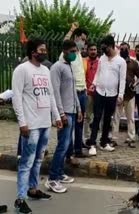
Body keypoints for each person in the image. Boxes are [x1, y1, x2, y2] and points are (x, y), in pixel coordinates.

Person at [12, 38, 62, 214]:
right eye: (41, 50)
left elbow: (51, 95)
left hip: (44, 123)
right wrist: (22, 122)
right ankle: (20, 199)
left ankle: (32, 189)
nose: (45, 52)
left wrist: (56, 116)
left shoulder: (46, 71)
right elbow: (17, 97)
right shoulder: (22, 70)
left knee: (39, 159)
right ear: (33, 51)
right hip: (31, 125)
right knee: (26, 162)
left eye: (45, 50)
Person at [46, 40, 83, 193]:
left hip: (72, 110)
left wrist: (79, 109)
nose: (75, 54)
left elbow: (72, 90)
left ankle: (60, 173)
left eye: (76, 51)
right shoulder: (56, 67)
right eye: (72, 51)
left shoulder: (69, 66)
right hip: (64, 112)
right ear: (65, 51)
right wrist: (60, 114)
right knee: (62, 146)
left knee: (67, 144)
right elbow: (55, 92)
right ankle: (52, 179)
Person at [86, 35, 126, 155]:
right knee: (96, 117)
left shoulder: (121, 61)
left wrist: (121, 95)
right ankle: (92, 143)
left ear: (112, 46)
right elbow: (98, 73)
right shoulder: (102, 59)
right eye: (102, 49)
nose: (104, 52)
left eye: (106, 49)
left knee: (108, 119)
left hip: (112, 94)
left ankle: (104, 143)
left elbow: (122, 79)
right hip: (99, 91)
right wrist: (94, 83)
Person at [63, 23, 88, 164]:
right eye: (82, 39)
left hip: (82, 92)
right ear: (76, 37)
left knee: (80, 123)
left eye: (84, 40)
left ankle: (78, 150)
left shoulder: (79, 55)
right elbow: (65, 42)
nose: (83, 42)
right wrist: (71, 29)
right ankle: (69, 153)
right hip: (72, 94)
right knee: (70, 126)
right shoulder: (69, 54)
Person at [111, 42, 139, 148]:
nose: (124, 50)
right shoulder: (116, 62)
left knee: (130, 118)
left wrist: (135, 84)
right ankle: (114, 139)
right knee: (116, 117)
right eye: (122, 49)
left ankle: (131, 138)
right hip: (118, 95)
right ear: (119, 49)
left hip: (130, 95)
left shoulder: (133, 63)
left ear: (129, 50)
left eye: (126, 49)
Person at [83, 43, 99, 146]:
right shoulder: (84, 62)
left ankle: (95, 137)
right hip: (88, 93)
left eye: (94, 49)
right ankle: (86, 137)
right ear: (88, 51)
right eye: (91, 49)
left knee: (97, 117)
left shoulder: (101, 62)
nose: (93, 51)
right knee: (87, 116)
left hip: (99, 93)